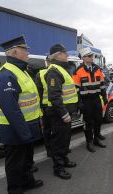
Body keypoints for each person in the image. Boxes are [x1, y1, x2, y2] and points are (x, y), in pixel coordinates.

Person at [0, 36, 43, 194]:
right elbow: (11, 110)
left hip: (27, 126)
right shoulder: (6, 75)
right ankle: (14, 191)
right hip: (15, 129)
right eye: (25, 50)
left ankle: (28, 181)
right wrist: (24, 133)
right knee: (15, 162)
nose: (28, 53)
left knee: (27, 159)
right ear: (15, 52)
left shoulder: (22, 71)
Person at [44, 44, 78, 179]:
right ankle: (58, 168)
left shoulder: (60, 69)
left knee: (65, 139)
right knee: (58, 141)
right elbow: (54, 96)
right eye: (65, 53)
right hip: (59, 114)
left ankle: (64, 160)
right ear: (58, 55)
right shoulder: (54, 71)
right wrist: (64, 114)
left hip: (65, 113)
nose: (67, 55)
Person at [72, 47, 108, 152]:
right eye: (89, 56)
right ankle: (89, 142)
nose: (92, 57)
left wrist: (104, 97)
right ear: (83, 58)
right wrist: (79, 102)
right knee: (88, 123)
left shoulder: (97, 69)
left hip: (96, 99)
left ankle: (96, 139)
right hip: (86, 101)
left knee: (98, 120)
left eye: (92, 56)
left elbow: (102, 84)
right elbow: (76, 89)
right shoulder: (78, 71)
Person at [35, 55, 52, 157]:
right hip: (48, 107)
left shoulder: (40, 74)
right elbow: (39, 93)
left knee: (49, 130)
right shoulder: (41, 74)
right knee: (48, 130)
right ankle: (50, 150)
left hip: (50, 107)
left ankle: (51, 150)